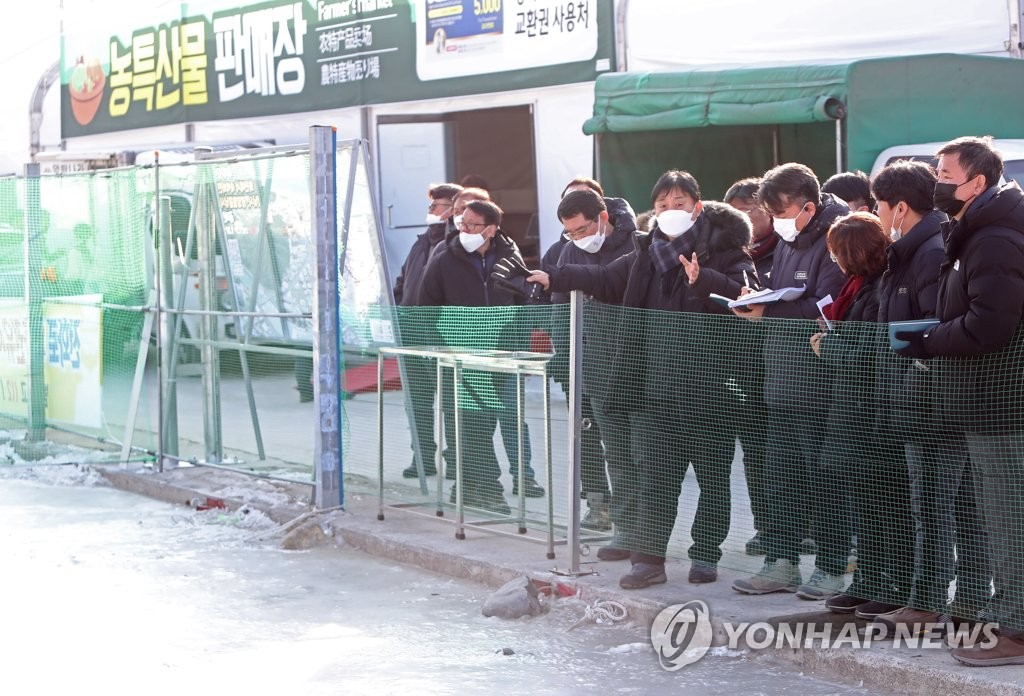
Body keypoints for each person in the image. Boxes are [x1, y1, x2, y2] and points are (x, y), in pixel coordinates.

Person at [523, 170, 757, 588]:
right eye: (664, 205)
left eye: (680, 203)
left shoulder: (726, 249)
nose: (671, 212)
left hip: (711, 387)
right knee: (655, 476)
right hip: (653, 386)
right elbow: (606, 277)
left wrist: (703, 279)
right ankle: (648, 561)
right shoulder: (646, 251)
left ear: (697, 207)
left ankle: (705, 555)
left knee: (713, 479)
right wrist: (557, 276)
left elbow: (747, 294)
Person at [889, 136, 1024, 666]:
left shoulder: (993, 239)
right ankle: (1006, 612)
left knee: (1010, 520)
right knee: (996, 518)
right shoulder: (971, 234)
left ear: (977, 183)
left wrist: (927, 338)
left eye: (945, 174)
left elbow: (989, 324)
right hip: (980, 401)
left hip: (1002, 404)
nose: (936, 182)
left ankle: (1016, 627)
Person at [846, 160, 991, 628]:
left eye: (880, 206)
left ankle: (934, 604)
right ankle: (953, 601)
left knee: (938, 505)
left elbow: (934, 331)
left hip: (930, 404)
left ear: (900, 207)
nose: (877, 214)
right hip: (916, 401)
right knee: (946, 504)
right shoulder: (906, 252)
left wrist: (908, 388)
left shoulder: (928, 251)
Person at [731, 162, 848, 595]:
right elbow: (780, 290)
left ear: (809, 206)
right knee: (778, 478)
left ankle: (832, 567)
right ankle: (781, 562)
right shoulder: (788, 241)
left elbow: (828, 306)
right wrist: (754, 295)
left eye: (782, 211)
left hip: (819, 385)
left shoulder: (836, 237)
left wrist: (770, 309)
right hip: (779, 381)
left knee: (826, 481)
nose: (776, 221)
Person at [416, 199, 538, 515]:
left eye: (473, 225)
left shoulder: (511, 259)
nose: (465, 230)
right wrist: (441, 351)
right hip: (460, 358)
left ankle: (467, 487)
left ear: (492, 229)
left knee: (487, 424)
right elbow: (425, 308)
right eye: (462, 223)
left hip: (501, 357)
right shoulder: (443, 259)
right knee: (474, 425)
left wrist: (517, 348)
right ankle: (491, 490)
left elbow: (524, 304)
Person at [803, 213, 892, 602]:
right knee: (863, 503)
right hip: (849, 408)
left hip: (868, 411)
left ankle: (884, 584)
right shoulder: (855, 286)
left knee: (878, 505)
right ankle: (867, 583)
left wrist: (828, 347)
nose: (834, 260)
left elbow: (871, 353)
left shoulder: (877, 289)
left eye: (837, 252)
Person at [544, 178, 637, 530]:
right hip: (584, 362)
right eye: (570, 233)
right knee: (590, 438)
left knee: (628, 450)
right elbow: (560, 310)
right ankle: (599, 505)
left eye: (583, 229)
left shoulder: (635, 242)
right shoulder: (567, 249)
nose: (578, 238)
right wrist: (565, 357)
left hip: (626, 362)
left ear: (601, 215)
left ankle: (635, 522)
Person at [723, 177, 774, 557]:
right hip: (745, 369)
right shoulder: (731, 254)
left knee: (791, 456)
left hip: (786, 369)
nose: (746, 218)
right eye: (738, 211)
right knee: (755, 454)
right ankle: (766, 528)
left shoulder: (787, 248)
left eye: (752, 209)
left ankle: (800, 529)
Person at [398, 183, 461, 478]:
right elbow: (403, 282)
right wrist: (397, 311)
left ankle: (454, 460)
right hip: (413, 333)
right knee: (418, 402)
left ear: (453, 208)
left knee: (451, 403)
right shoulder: (421, 242)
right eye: (431, 205)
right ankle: (422, 457)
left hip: (443, 336)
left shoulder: (457, 244)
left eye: (437, 205)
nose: (431, 211)